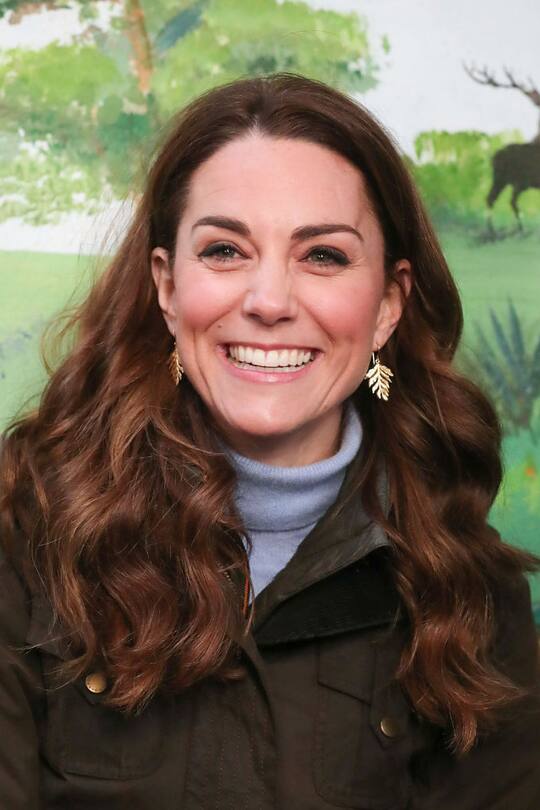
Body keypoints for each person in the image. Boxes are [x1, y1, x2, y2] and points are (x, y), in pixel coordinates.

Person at [0, 72, 539, 809]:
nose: (269, 301)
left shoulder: (469, 587)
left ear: (387, 305)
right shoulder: (24, 536)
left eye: (323, 256)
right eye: (225, 250)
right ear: (166, 285)